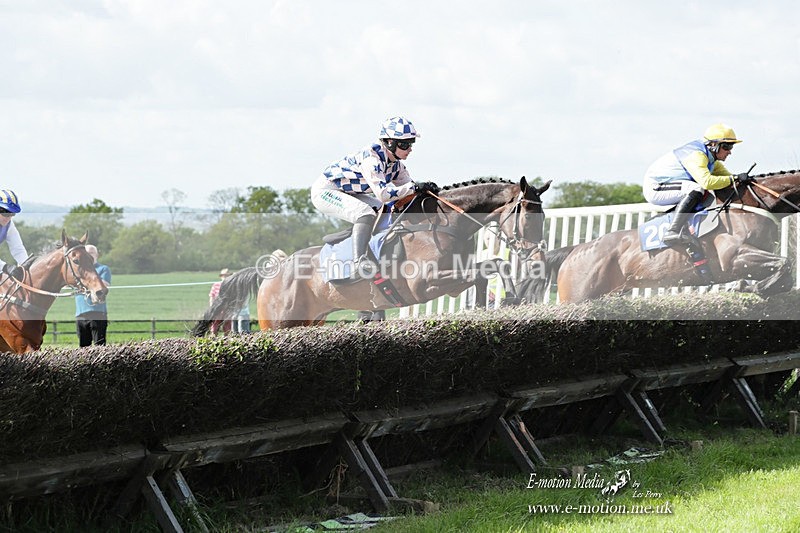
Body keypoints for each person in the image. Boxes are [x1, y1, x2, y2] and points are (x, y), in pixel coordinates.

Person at [310, 116, 440, 279]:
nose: (410, 149)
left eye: (411, 143)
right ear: (390, 143)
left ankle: (368, 244)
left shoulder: (396, 165)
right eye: (405, 144)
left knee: (384, 211)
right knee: (364, 213)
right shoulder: (372, 160)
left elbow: (409, 190)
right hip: (325, 191)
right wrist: (414, 187)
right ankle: (359, 262)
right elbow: (384, 195)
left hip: (350, 192)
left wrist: (425, 190)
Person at [643, 123, 750, 245]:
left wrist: (742, 179)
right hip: (656, 187)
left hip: (670, 185)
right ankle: (672, 231)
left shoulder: (712, 161)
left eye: (731, 147)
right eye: (727, 147)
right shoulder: (697, 155)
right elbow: (707, 182)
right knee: (696, 188)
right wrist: (733, 178)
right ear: (713, 145)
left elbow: (729, 179)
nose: (729, 152)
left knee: (702, 191)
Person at [75, 245, 111, 346]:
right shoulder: (78, 270)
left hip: (98, 312)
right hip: (81, 313)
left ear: (97, 255)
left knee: (99, 345)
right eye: (87, 253)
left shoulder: (103, 269)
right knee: (83, 347)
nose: (89, 255)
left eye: (92, 253)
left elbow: (104, 285)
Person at [0, 189, 28, 281]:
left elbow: (18, 249)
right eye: (4, 213)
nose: (8, 217)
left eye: (12, 213)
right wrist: (5, 267)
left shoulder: (9, 225)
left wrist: (26, 265)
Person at [209, 268, 232, 334]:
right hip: (217, 308)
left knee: (227, 328)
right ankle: (213, 338)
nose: (225, 277)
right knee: (214, 327)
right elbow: (212, 296)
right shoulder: (216, 285)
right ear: (221, 276)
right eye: (224, 275)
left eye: (227, 276)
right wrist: (212, 307)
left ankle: (226, 339)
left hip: (227, 309)